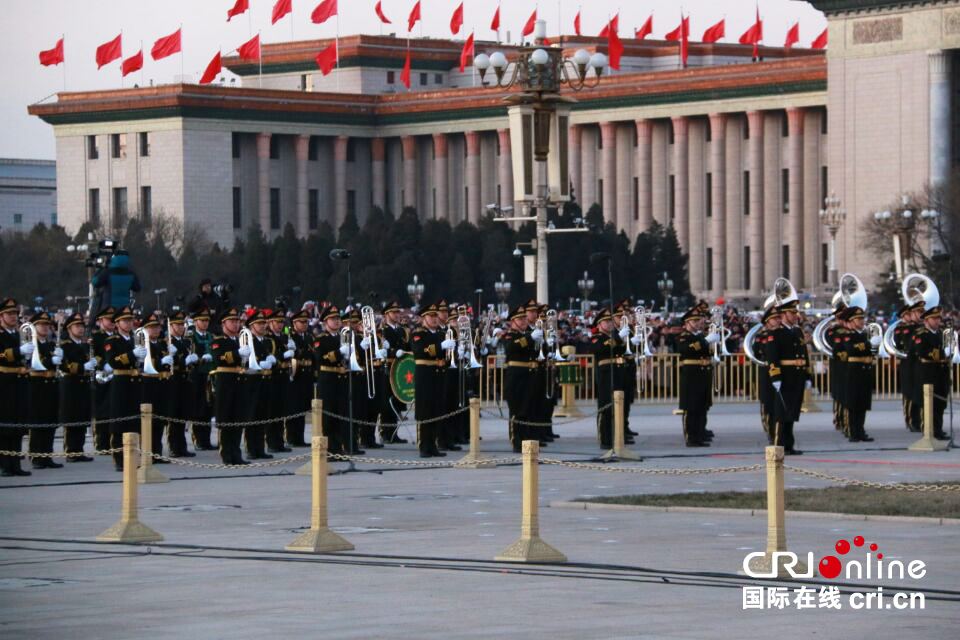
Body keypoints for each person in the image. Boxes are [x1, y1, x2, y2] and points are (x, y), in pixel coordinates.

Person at [766, 300, 811, 455]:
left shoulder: (797, 331)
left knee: (792, 410)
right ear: (784, 314)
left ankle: (789, 445)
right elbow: (772, 356)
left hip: (797, 375)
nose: (795, 316)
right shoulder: (775, 333)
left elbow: (804, 353)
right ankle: (779, 445)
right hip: (785, 375)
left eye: (795, 313)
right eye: (792, 313)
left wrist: (807, 375)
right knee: (782, 412)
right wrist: (775, 376)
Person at [104, 306, 144, 471]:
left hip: (135, 381)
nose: (129, 323)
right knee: (119, 421)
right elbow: (113, 361)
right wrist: (132, 355)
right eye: (125, 321)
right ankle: (119, 458)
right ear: (117, 323)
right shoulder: (112, 341)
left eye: (130, 320)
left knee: (134, 422)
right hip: (120, 382)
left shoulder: (135, 338)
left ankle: (134, 456)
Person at [675, 306, 719, 447]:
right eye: (693, 321)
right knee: (691, 407)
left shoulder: (699, 336)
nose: (697, 323)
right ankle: (691, 437)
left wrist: (715, 346)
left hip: (703, 373)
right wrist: (706, 341)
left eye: (698, 320)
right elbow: (686, 349)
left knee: (702, 406)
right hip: (690, 374)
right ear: (686, 323)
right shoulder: (684, 336)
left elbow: (708, 352)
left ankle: (699, 434)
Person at [412, 303, 451, 457]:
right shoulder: (418, 333)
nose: (434, 319)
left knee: (437, 410)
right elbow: (420, 350)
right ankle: (424, 446)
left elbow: (445, 356)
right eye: (431, 316)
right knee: (424, 411)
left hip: (439, 374)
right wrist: (440, 346)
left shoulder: (442, 333)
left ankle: (433, 445)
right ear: (423, 318)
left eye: (436, 316)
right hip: (425, 375)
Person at [312, 305, 350, 455]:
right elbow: (321, 358)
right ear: (325, 322)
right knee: (329, 417)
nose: (336, 321)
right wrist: (339, 353)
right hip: (328, 380)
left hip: (342, 379)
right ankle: (330, 449)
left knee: (342, 414)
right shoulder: (321, 339)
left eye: (338, 319)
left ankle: (340, 447)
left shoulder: (344, 337)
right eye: (332, 319)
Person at [58, 312, 97, 461]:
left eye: (82, 326)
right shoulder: (65, 345)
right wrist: (83, 367)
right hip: (71, 384)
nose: (81, 329)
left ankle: (79, 450)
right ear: (69, 328)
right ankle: (71, 451)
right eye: (77, 326)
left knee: (82, 416)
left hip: (84, 385)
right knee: (72, 417)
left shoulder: (85, 345)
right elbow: (65, 366)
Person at [211, 307, 247, 465]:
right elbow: (220, 358)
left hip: (239, 382)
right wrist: (238, 353)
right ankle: (226, 454)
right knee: (226, 419)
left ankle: (236, 454)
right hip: (225, 382)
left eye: (237, 321)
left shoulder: (241, 339)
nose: (235, 324)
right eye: (232, 321)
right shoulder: (219, 341)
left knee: (238, 418)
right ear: (223, 324)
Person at [27, 311, 62, 469]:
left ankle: (47, 455)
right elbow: (35, 363)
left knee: (50, 421)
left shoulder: (50, 344)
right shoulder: (31, 344)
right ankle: (36, 456)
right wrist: (50, 360)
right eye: (42, 324)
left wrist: (61, 357)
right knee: (38, 421)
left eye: (47, 325)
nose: (45, 327)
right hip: (37, 384)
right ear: (34, 326)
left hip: (51, 385)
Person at [0, 298, 31, 477]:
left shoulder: (18, 334)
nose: (13, 317)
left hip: (19, 381)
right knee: (5, 425)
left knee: (18, 423)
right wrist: (18, 352)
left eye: (14, 314)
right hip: (5, 382)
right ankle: (5, 464)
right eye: (9, 314)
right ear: (1, 316)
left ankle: (16, 464)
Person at [911, 305, 951, 440]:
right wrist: (942, 354)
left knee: (940, 404)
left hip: (940, 373)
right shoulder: (921, 334)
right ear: (926, 320)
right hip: (928, 373)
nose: (937, 321)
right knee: (929, 404)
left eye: (938, 319)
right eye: (934, 319)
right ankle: (928, 431)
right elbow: (923, 352)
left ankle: (938, 430)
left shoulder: (940, 333)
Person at [591, 308, 628, 450]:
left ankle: (615, 437)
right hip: (605, 374)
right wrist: (618, 338)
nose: (610, 324)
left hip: (616, 372)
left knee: (616, 407)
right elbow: (599, 349)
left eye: (610, 321)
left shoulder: (612, 337)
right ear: (599, 324)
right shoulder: (598, 337)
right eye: (606, 322)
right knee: (605, 407)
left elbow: (620, 351)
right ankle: (604, 438)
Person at [838, 306, 877, 443]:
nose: (861, 321)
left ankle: (860, 430)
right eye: (858, 319)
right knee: (853, 403)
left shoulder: (863, 334)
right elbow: (851, 349)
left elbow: (868, 351)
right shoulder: (847, 334)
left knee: (863, 402)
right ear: (851, 321)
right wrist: (868, 345)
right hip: (853, 371)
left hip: (864, 370)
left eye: (862, 319)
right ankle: (852, 431)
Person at [165, 311, 198, 458]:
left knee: (183, 414)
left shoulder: (185, 342)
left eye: (181, 324)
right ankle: (174, 446)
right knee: (174, 415)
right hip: (173, 381)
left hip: (185, 381)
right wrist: (181, 360)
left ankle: (182, 446)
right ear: (170, 325)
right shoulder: (167, 341)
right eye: (177, 324)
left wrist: (193, 360)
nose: (180, 327)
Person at [377, 301, 410, 445]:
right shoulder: (382, 330)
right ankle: (385, 432)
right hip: (388, 366)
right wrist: (390, 351)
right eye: (393, 312)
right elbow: (379, 350)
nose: (397, 315)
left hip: (400, 368)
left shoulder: (402, 331)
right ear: (386, 314)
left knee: (396, 400)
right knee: (387, 402)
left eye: (398, 312)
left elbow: (407, 346)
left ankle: (394, 432)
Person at [187, 307, 216, 450]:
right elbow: (189, 354)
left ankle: (206, 440)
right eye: (202, 320)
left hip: (209, 375)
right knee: (197, 408)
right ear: (195, 321)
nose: (205, 323)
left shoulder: (210, 336)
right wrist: (199, 358)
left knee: (208, 408)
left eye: (207, 321)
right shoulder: (191, 336)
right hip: (196, 375)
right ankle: (198, 439)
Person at [285, 308, 314, 447]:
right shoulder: (290, 337)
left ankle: (300, 438)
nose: (304, 324)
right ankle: (291, 437)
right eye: (301, 322)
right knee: (293, 407)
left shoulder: (308, 337)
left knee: (303, 407)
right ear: (294, 323)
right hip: (295, 374)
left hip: (306, 376)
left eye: (306, 322)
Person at [266, 308, 294, 453]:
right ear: (270, 322)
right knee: (272, 411)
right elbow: (271, 356)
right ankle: (271, 442)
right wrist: (283, 355)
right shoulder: (268, 337)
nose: (280, 325)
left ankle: (279, 441)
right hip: (273, 377)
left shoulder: (284, 337)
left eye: (282, 322)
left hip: (283, 376)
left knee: (281, 411)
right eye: (277, 322)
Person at [894, 302, 924, 432]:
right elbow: (903, 345)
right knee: (910, 392)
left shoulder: (921, 327)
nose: (921, 315)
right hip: (909, 364)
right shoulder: (903, 328)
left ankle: (922, 421)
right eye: (919, 312)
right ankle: (911, 420)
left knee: (921, 392)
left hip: (920, 364)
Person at [91, 306, 116, 453]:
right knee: (102, 409)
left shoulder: (117, 336)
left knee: (113, 408)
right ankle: (101, 442)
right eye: (109, 319)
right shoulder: (96, 337)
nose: (112, 322)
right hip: (102, 377)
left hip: (115, 376)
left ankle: (112, 441)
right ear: (100, 321)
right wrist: (102, 364)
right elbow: (92, 354)